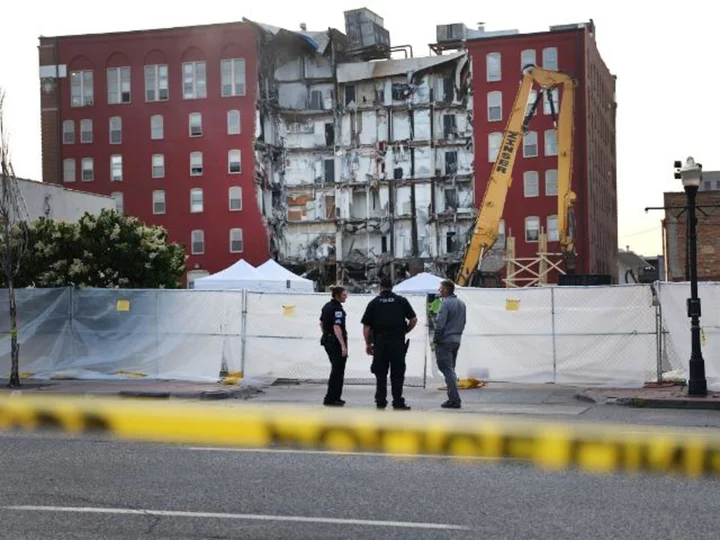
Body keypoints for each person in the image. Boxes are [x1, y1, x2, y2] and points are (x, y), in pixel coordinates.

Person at [361, 277, 417, 410]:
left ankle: (381, 401)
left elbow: (367, 328)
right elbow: (413, 320)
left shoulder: (374, 303)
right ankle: (398, 402)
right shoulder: (401, 301)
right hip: (397, 343)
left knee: (380, 374)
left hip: (380, 343)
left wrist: (368, 344)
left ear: (380, 287)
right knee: (397, 374)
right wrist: (404, 332)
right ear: (392, 287)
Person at [433, 279, 466, 409]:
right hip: (456, 340)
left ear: (446, 290)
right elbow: (463, 322)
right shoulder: (461, 304)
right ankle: (453, 398)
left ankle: (454, 399)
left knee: (447, 370)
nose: (439, 291)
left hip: (445, 341)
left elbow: (440, 324)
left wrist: (436, 339)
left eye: (440, 289)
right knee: (451, 369)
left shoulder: (445, 304)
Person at [319, 284, 348, 407]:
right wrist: (343, 346)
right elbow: (337, 327)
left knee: (335, 369)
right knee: (337, 370)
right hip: (335, 343)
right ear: (337, 295)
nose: (346, 297)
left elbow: (321, 323)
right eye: (344, 295)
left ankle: (334, 397)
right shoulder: (337, 309)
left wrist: (326, 334)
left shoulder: (326, 306)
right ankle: (331, 398)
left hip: (327, 341)